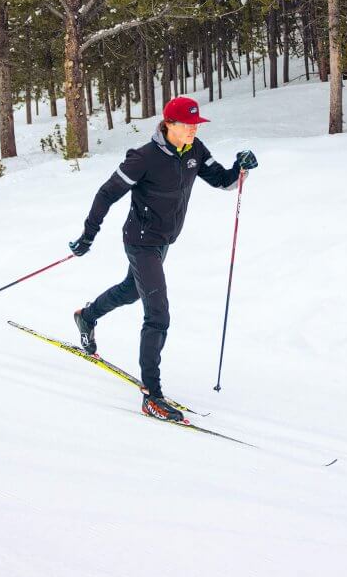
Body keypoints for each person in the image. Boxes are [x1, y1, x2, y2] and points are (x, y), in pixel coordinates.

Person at [68, 95, 258, 422]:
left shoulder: (195, 152)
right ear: (168, 124)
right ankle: (151, 395)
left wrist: (241, 168)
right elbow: (106, 193)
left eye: (196, 125)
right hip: (140, 241)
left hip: (162, 242)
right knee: (158, 315)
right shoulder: (143, 158)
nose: (193, 131)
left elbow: (223, 181)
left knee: (130, 291)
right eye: (187, 125)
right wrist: (88, 235)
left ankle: (87, 315)